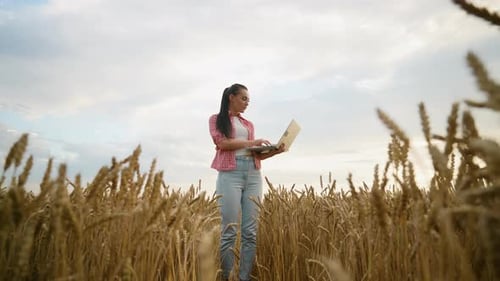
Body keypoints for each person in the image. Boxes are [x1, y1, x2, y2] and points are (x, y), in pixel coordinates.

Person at [209, 83, 285, 281]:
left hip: (253, 174)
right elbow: (222, 144)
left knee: (250, 232)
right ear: (231, 97)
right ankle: (228, 277)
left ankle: (244, 278)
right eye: (243, 99)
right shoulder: (216, 119)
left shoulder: (248, 125)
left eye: (248, 101)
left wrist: (275, 151)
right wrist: (253, 142)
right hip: (230, 174)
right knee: (229, 231)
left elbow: (254, 155)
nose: (246, 103)